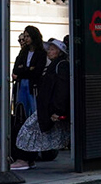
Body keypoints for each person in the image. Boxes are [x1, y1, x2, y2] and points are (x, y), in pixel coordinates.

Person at [11, 38, 70, 170]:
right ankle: (27, 158)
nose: (49, 51)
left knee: (27, 130)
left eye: (53, 49)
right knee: (30, 129)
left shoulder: (60, 65)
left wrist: (57, 110)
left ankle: (23, 159)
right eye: (49, 48)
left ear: (60, 52)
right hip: (46, 108)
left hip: (49, 109)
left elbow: (62, 89)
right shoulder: (54, 65)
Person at [12, 26, 46, 118]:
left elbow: (37, 72)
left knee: (33, 108)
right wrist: (28, 69)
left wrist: (23, 70)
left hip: (33, 84)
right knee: (22, 107)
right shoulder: (23, 52)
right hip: (22, 83)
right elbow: (16, 70)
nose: (26, 39)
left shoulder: (40, 53)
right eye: (25, 36)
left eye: (28, 36)